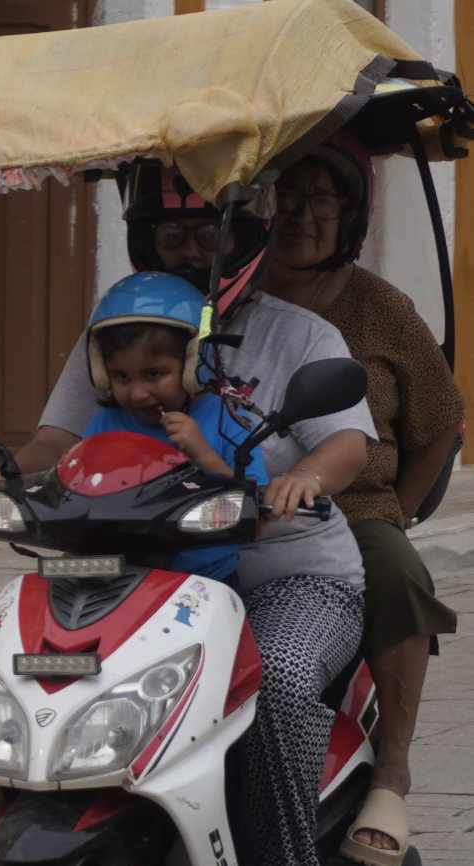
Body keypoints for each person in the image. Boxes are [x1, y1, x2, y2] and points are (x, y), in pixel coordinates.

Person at [0, 162, 373, 866]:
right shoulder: (122, 330)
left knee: (287, 680)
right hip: (150, 568)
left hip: (289, 570)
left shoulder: (301, 335)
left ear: (246, 237)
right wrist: (1, 481)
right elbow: (59, 438)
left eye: (208, 233)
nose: (190, 250)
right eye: (171, 233)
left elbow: (348, 444)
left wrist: (298, 478)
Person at [258, 134, 463, 866]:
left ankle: (394, 770)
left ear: (351, 216)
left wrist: (397, 508)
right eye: (287, 196)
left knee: (400, 573)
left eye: (324, 201)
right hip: (233, 500)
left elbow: (441, 421)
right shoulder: (229, 294)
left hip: (353, 508)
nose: (302, 216)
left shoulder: (380, 307)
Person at [82, 271, 269, 581]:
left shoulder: (229, 420)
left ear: (194, 363)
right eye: (121, 376)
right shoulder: (105, 424)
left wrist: (202, 454)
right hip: (116, 577)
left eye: (154, 374)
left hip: (205, 583)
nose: (138, 393)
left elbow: (256, 512)